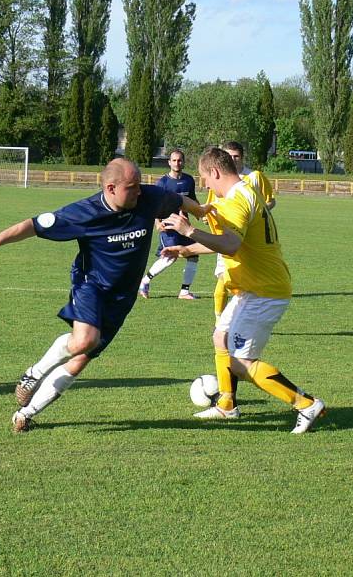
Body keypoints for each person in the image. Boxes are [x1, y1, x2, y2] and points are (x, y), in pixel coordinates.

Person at [0, 158, 206, 433]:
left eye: (139, 184)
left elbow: (177, 199)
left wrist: (200, 210)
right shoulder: (85, 212)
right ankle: (33, 374)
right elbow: (34, 225)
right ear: (110, 188)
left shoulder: (148, 197)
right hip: (91, 285)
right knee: (85, 339)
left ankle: (26, 414)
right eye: (131, 187)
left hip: (123, 297)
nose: (139, 191)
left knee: (81, 357)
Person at [161, 146, 324, 434]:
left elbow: (230, 245)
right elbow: (224, 238)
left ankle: (306, 404)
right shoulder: (246, 190)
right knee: (220, 337)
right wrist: (187, 249)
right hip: (255, 286)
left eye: (205, 179)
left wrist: (189, 232)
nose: (205, 185)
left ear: (214, 172)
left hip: (265, 290)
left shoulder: (236, 201)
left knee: (240, 363)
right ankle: (226, 406)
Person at [210, 141, 276, 320]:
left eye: (236, 156)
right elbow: (213, 205)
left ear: (242, 157)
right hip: (227, 234)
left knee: (243, 281)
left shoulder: (254, 177)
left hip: (250, 239)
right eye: (228, 156)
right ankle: (220, 321)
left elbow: (270, 200)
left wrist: (254, 215)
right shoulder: (218, 180)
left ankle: (240, 318)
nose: (232, 159)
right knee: (224, 278)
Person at [138, 149, 201, 300]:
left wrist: (200, 212)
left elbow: (192, 199)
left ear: (183, 162)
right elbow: (154, 204)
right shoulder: (163, 182)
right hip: (168, 226)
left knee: (193, 255)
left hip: (184, 225)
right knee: (171, 256)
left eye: (179, 160)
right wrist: (157, 222)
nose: (177, 163)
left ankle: (184, 291)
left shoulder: (189, 180)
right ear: (169, 162)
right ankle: (144, 282)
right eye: (174, 160)